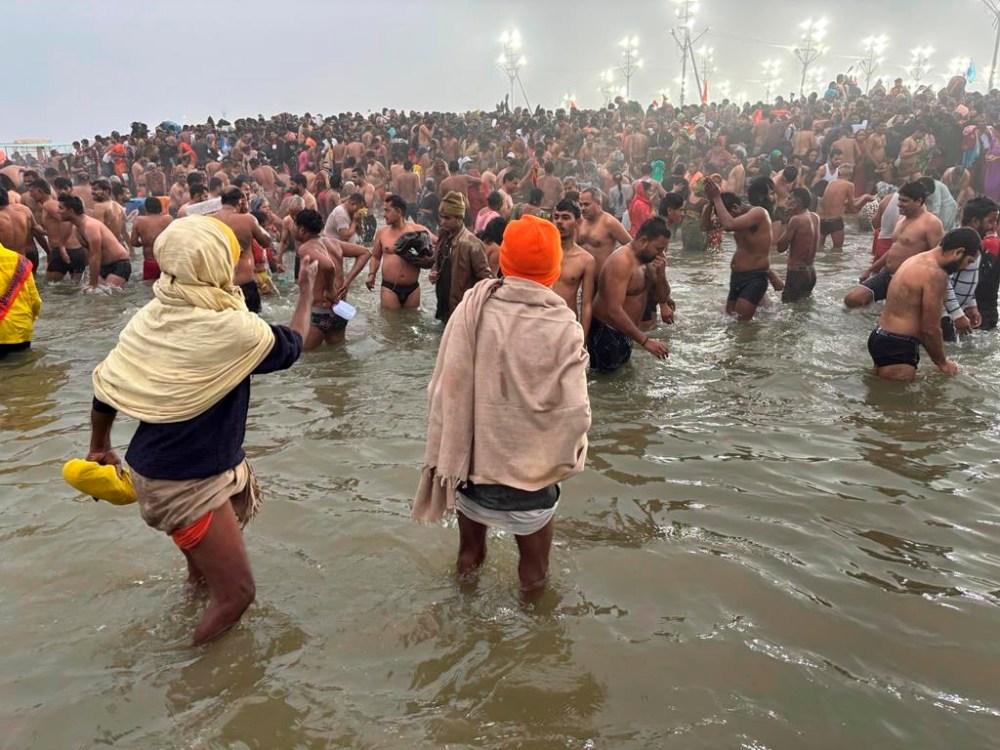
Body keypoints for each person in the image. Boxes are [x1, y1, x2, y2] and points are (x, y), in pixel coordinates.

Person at [86, 216, 317, 644]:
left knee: (203, 575)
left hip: (154, 470)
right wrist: (305, 292)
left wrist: (99, 445)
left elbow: (106, 383)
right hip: (186, 483)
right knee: (238, 595)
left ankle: (188, 612)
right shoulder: (235, 329)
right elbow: (294, 344)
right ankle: (196, 679)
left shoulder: (152, 316)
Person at [412, 214, 590, 595]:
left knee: (469, 557)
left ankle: (463, 618)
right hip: (532, 475)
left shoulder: (473, 307)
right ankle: (530, 648)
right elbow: (575, 413)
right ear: (555, 270)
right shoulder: (565, 325)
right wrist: (566, 459)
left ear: (503, 262)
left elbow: (446, 385)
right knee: (535, 573)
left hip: (472, 467)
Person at [867, 228, 980, 381]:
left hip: (880, 337)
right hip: (899, 347)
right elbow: (930, 329)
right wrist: (943, 363)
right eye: (969, 261)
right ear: (958, 252)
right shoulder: (936, 274)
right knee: (899, 404)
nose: (965, 267)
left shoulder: (915, 259)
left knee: (879, 398)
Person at [588, 217, 672, 373]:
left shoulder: (649, 259)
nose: (662, 254)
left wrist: (661, 275)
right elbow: (613, 309)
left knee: (622, 378)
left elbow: (661, 298)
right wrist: (645, 341)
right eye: (658, 249)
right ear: (643, 240)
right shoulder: (621, 262)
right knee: (607, 385)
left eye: (664, 249)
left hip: (627, 331)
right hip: (606, 332)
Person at [845, 181, 945, 309]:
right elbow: (894, 249)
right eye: (899, 200)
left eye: (904, 201)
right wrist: (870, 269)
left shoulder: (932, 223)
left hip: (909, 279)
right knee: (852, 300)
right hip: (887, 274)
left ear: (919, 201)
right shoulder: (901, 219)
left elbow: (939, 259)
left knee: (894, 316)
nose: (899, 204)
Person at [705, 176, 775, 321]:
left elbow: (729, 225)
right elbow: (705, 226)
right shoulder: (736, 216)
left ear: (736, 208)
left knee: (742, 324)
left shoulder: (758, 213)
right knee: (730, 320)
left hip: (754, 277)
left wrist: (717, 197)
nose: (722, 220)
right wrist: (711, 202)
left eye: (725, 215)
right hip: (737, 277)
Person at [940, 196, 999, 340]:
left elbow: (970, 279)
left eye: (996, 222)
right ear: (975, 222)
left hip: (959, 311)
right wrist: (957, 314)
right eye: (990, 221)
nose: (993, 227)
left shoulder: (976, 243)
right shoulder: (958, 243)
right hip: (944, 314)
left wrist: (972, 305)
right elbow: (942, 281)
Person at [429, 192, 492, 323]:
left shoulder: (472, 244)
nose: (442, 222)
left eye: (447, 218)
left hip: (462, 308)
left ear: (459, 217)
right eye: (441, 217)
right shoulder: (443, 235)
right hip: (443, 304)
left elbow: (486, 279)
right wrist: (434, 272)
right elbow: (437, 260)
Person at [294, 209, 350, 348]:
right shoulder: (333, 243)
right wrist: (347, 281)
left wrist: (331, 289)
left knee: (303, 358)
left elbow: (328, 265)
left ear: (302, 230)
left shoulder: (305, 248)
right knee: (337, 354)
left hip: (321, 311)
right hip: (339, 310)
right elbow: (365, 253)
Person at [367, 194, 433, 309]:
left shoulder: (419, 230)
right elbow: (375, 257)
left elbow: (439, 245)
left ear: (398, 211)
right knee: (392, 324)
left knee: (412, 323)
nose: (384, 215)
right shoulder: (382, 233)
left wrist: (435, 270)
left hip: (413, 288)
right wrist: (371, 274)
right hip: (389, 288)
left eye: (387, 211)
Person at [214, 186, 273, 314]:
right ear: (240, 202)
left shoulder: (209, 221)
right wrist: (250, 219)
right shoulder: (247, 219)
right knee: (255, 327)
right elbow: (266, 241)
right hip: (245, 283)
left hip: (221, 286)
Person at [58, 195, 131, 290]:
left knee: (104, 297)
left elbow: (96, 256)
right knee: (94, 297)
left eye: (61, 208)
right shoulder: (77, 228)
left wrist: (93, 284)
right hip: (103, 266)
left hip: (119, 264)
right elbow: (90, 255)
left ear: (71, 211)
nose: (57, 211)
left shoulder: (90, 226)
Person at [551, 198, 595, 338]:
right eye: (556, 217)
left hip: (567, 322)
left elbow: (586, 305)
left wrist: (583, 340)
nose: (559, 222)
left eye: (565, 218)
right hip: (542, 319)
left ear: (578, 222)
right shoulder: (542, 251)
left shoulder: (586, 260)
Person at [775, 188, 820, 302]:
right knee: (803, 309)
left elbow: (780, 247)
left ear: (798, 201)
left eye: (790, 198)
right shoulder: (815, 217)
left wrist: (786, 221)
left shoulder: (796, 220)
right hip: (811, 272)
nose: (787, 202)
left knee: (787, 310)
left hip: (797, 273)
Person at [0, 240, 42, 358]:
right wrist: (30, 320)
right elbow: (35, 300)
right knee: (24, 369)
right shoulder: (21, 261)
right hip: (21, 329)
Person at [578, 187, 632, 278]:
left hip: (603, 278)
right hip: (583, 279)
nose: (582, 208)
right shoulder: (580, 221)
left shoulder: (609, 222)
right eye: (581, 204)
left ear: (599, 203)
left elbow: (631, 246)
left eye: (587, 204)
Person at [817, 165, 873, 250]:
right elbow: (853, 206)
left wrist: (861, 197)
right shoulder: (849, 185)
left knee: (819, 249)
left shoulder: (831, 182)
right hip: (835, 221)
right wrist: (864, 198)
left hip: (822, 221)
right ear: (851, 175)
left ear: (839, 173)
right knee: (837, 251)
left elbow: (841, 202)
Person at [130, 197, 173, 281]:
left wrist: (145, 243)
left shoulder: (139, 221)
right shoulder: (168, 219)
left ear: (146, 208)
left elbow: (133, 242)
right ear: (160, 207)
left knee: (149, 288)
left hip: (150, 263)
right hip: (166, 262)